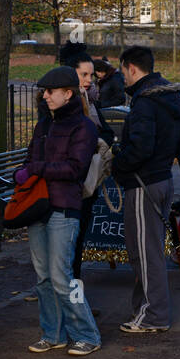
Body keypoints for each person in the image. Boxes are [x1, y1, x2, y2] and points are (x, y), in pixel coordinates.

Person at [15, 65, 101, 356]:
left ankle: (87, 334)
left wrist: (34, 169)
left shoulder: (84, 126)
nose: (45, 96)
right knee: (44, 277)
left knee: (62, 276)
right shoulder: (45, 124)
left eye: (50, 92)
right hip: (38, 207)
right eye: (44, 91)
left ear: (68, 93)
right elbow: (30, 157)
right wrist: (26, 169)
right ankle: (53, 334)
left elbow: (75, 169)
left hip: (65, 207)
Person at [110, 45, 180, 334]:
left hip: (143, 183)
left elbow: (140, 147)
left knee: (144, 252)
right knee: (149, 250)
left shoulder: (144, 102)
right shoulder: (171, 97)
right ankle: (146, 311)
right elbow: (179, 139)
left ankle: (153, 315)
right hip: (162, 178)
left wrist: (118, 164)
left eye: (123, 72)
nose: (123, 79)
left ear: (131, 68)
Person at [69, 51, 115, 281]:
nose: (89, 80)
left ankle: (76, 299)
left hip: (88, 180)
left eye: (91, 75)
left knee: (78, 241)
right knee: (72, 242)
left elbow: (106, 132)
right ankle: (72, 300)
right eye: (83, 75)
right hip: (74, 183)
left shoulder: (89, 100)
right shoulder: (70, 102)